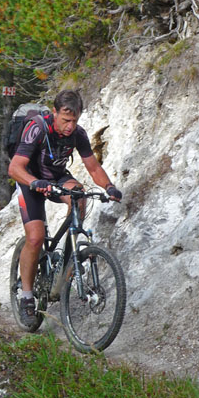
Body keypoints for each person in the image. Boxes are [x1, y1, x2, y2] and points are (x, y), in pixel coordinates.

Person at [8, 89, 122, 326]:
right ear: (54, 112)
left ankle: (67, 262)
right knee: (36, 237)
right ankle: (27, 298)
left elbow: (93, 168)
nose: (70, 126)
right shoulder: (38, 128)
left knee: (80, 196)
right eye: (65, 120)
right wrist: (34, 182)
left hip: (56, 177)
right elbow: (14, 168)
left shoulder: (78, 134)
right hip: (30, 180)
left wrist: (109, 187)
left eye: (75, 120)